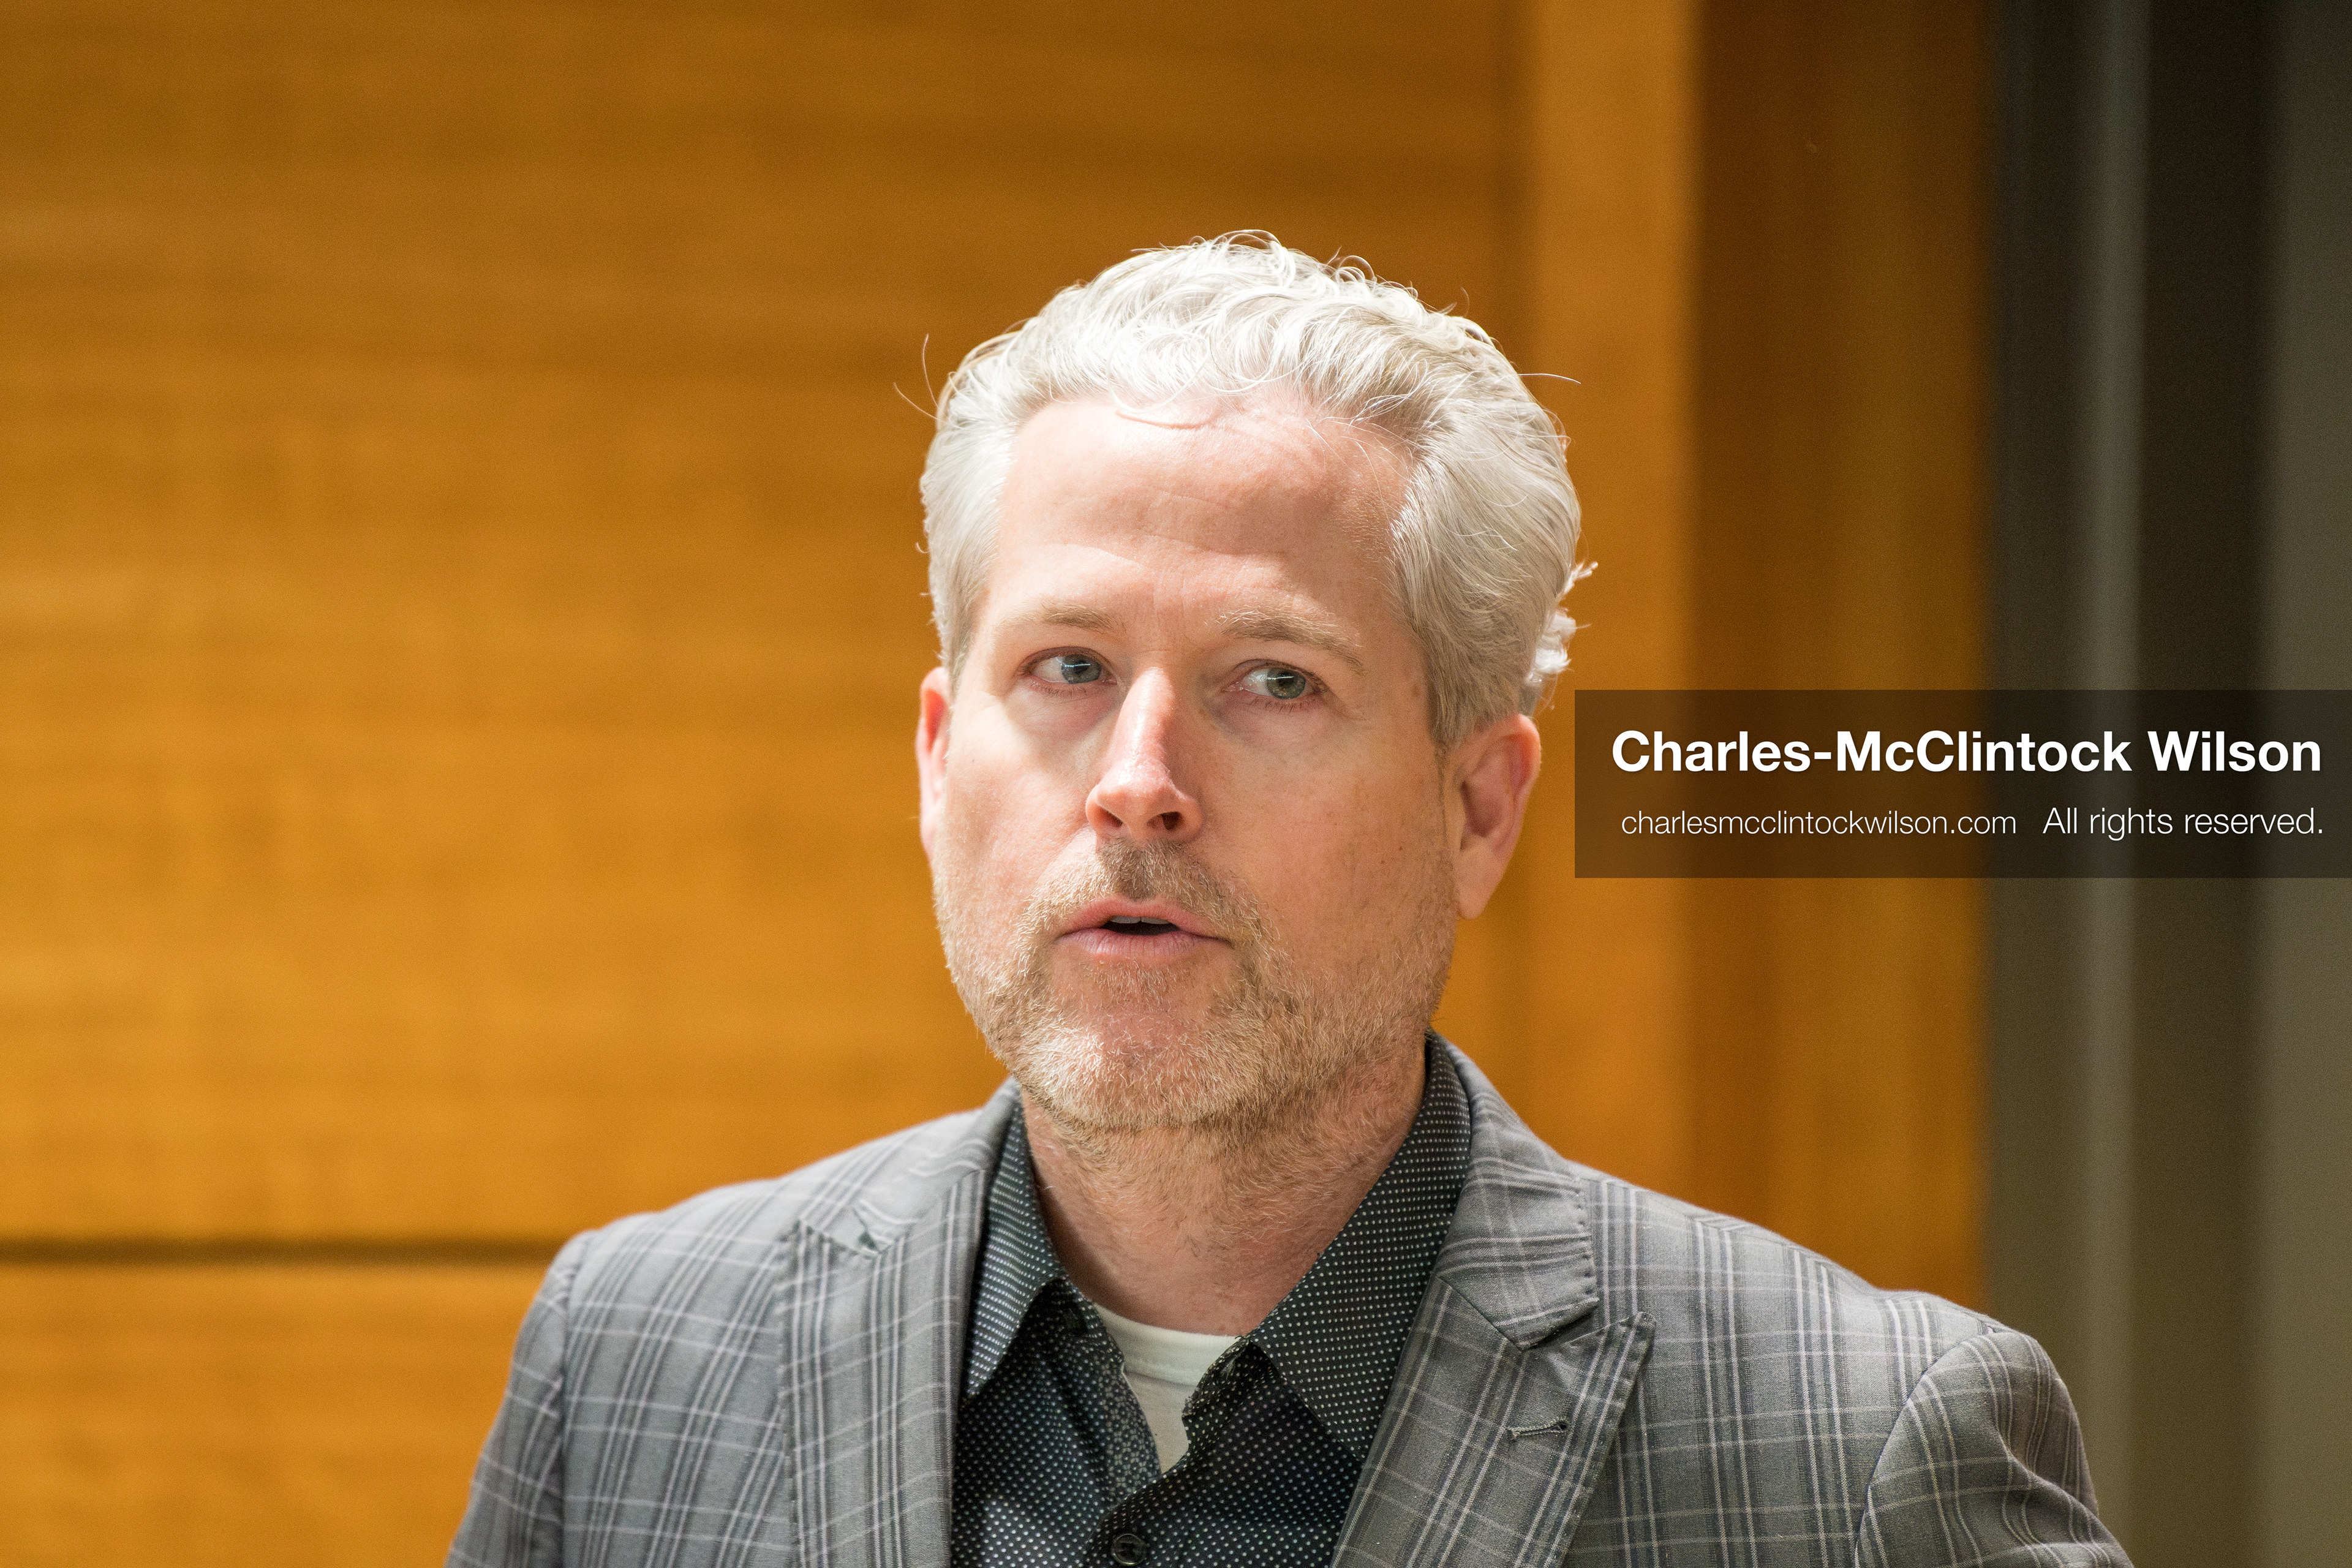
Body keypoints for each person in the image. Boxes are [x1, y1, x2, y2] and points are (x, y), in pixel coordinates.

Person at [448, 235, 2125, 1567]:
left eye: (1272, 679)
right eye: (1068, 667)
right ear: (938, 758)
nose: (1138, 777)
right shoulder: (634, 1363)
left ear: (1479, 806)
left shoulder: (1862, 1457)